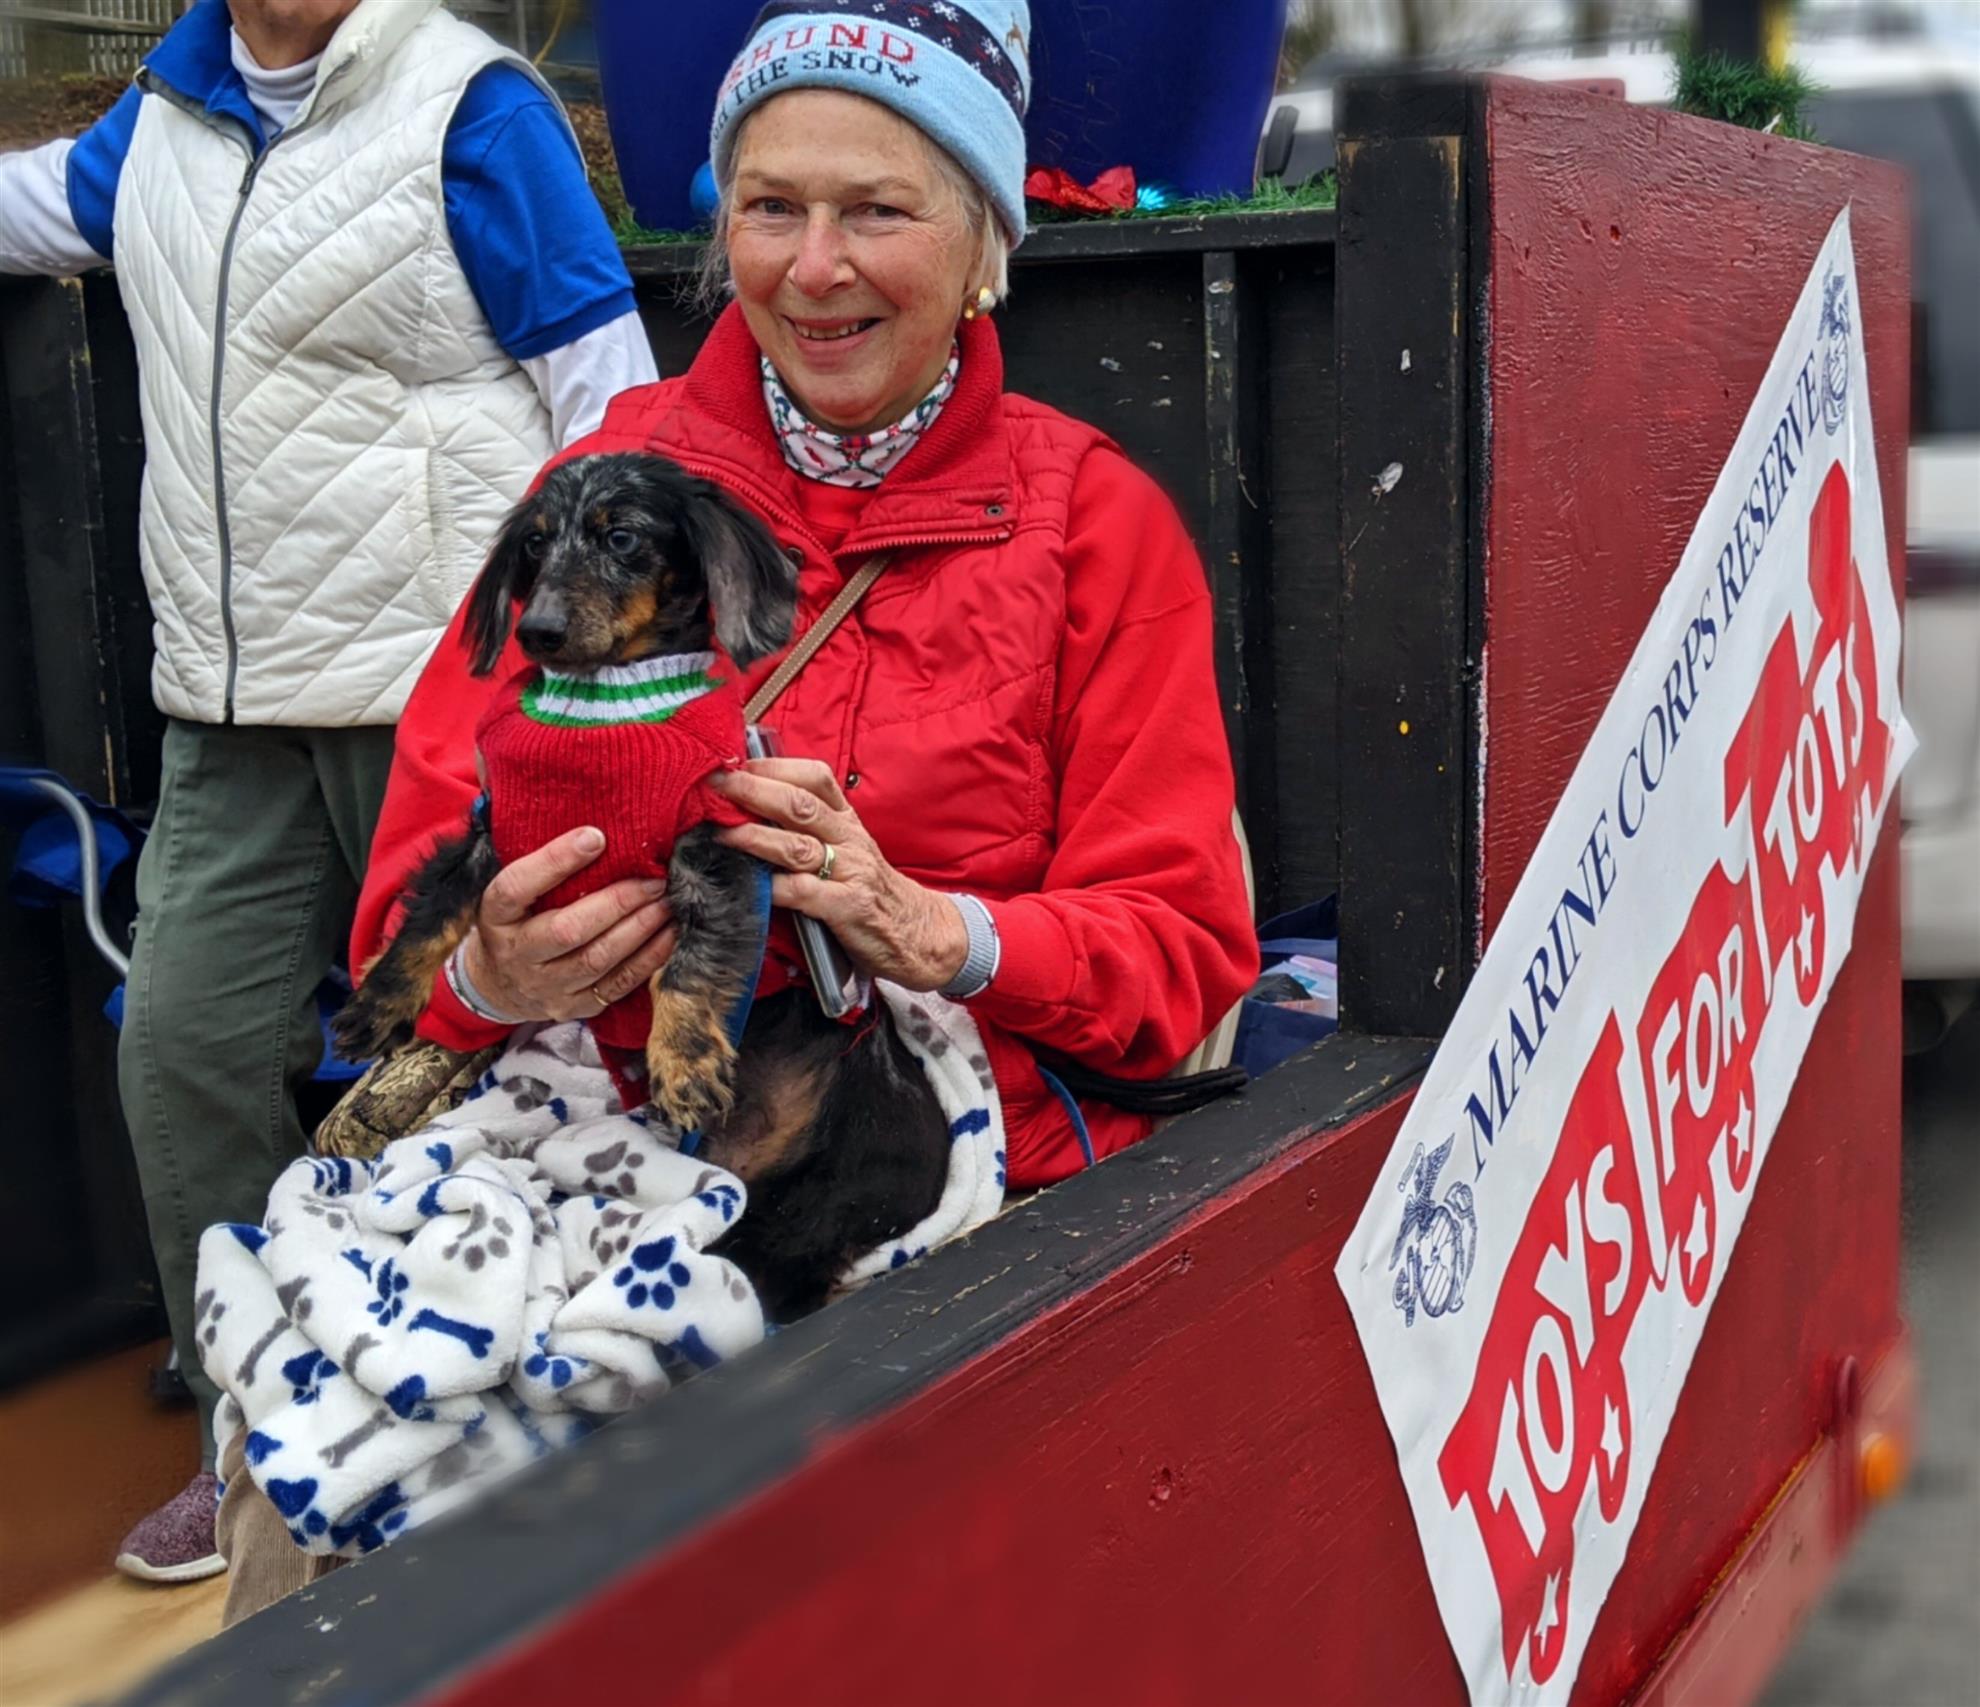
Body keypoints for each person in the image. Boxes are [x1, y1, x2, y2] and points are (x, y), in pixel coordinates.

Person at [355, 0, 1258, 1212]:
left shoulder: (1096, 522)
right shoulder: (602, 483)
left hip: (950, 1168)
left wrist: (937, 931)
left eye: (878, 210)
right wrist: (491, 979)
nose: (815, 267)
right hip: (586, 1153)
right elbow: (404, 905)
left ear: (984, 239)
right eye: (772, 205)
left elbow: (1176, 958)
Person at [0, 0, 657, 1583]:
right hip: (230, 702)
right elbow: (37, 210)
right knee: (185, 1051)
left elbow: (610, 395)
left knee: (507, 1062)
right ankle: (259, 1439)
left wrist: (579, 677)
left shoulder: (472, 109)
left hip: (444, 695)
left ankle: (524, 1435)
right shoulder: (158, 120)